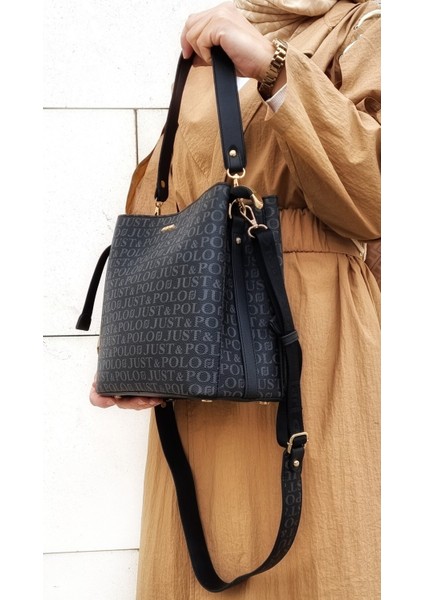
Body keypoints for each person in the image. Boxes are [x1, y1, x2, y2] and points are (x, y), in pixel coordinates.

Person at [90, 1, 381, 598]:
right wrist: (135, 351)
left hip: (312, 343)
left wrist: (276, 69)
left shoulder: (368, 27)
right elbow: (170, 206)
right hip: (200, 370)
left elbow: (379, 197)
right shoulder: (214, 34)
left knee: (319, 557)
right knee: (201, 559)